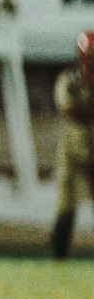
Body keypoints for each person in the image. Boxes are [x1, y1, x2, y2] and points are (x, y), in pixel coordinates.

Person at [51, 30, 94, 259]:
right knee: (66, 206)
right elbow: (68, 106)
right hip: (72, 152)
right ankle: (59, 254)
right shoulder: (69, 79)